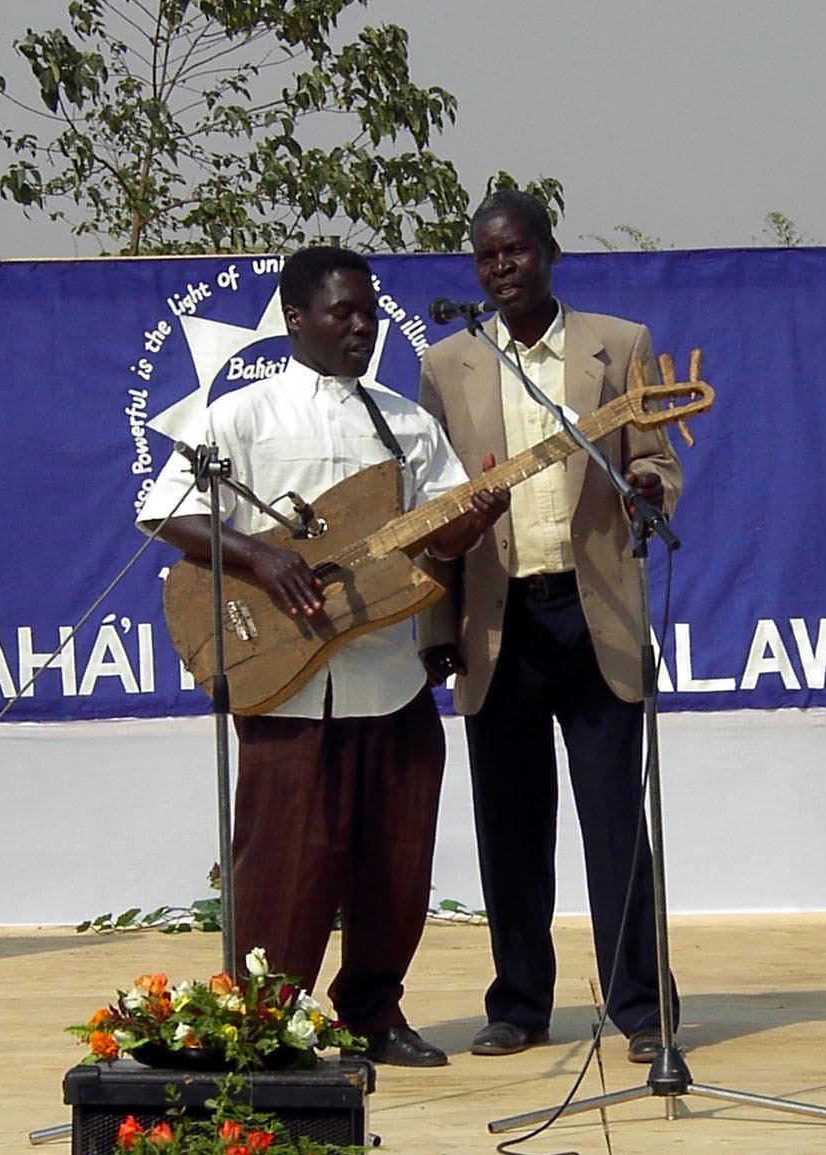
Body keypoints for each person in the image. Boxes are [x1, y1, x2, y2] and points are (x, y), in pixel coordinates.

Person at [138, 246, 509, 1068]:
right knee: (283, 859)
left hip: (387, 673)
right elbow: (165, 511)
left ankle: (372, 1012)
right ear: (295, 319)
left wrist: (475, 515)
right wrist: (261, 558)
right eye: (341, 312)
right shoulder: (244, 414)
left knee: (397, 855)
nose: (360, 327)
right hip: (286, 681)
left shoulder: (403, 421)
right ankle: (265, 1022)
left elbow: (441, 535)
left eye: (369, 311)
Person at [416, 190, 683, 1063]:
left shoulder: (619, 344)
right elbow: (433, 510)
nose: (501, 269)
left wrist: (649, 489)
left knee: (616, 822)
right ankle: (520, 1002)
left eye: (515, 251)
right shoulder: (445, 363)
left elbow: (655, 458)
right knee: (510, 826)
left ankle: (643, 1006)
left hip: (594, 609)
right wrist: (433, 630)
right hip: (497, 625)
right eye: (486, 257)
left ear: (549, 251)